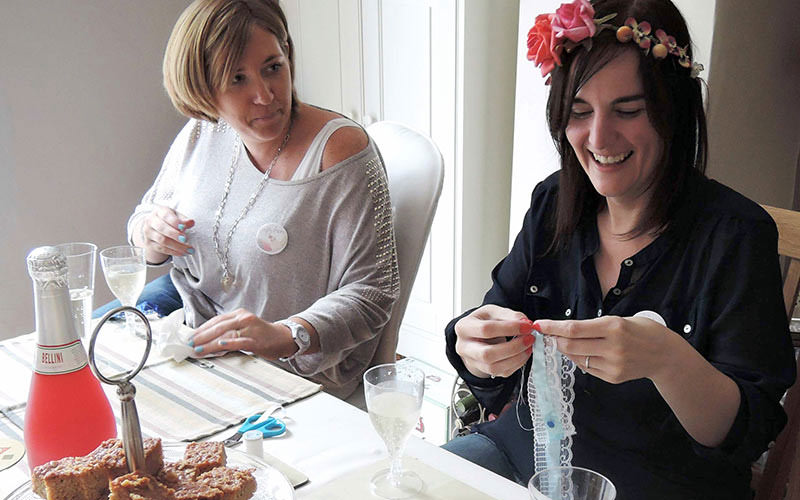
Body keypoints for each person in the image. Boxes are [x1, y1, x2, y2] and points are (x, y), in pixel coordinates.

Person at [442, 0, 796, 498]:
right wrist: (476, 346)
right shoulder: (553, 202)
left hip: (659, 485)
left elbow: (749, 429)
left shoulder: (735, 236)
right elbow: (495, 326)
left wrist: (669, 361)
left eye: (628, 110)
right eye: (579, 112)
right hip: (522, 456)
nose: (599, 138)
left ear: (672, 110)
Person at [97, 0, 398, 399]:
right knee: (87, 362)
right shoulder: (202, 132)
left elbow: (373, 291)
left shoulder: (340, 151)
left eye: (273, 67)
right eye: (237, 79)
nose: (265, 95)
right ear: (203, 88)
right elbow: (144, 220)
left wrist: (286, 334)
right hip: (190, 322)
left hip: (291, 362)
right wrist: (150, 236)